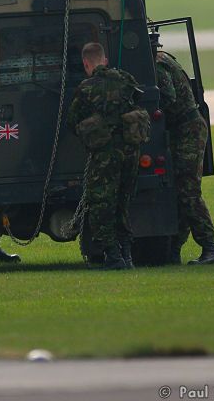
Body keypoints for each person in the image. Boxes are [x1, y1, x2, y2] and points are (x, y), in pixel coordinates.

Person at [67, 42, 150, 269]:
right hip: (130, 153)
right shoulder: (126, 79)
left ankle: (113, 256)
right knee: (123, 203)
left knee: (101, 204)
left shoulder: (86, 89)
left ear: (86, 64)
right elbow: (139, 103)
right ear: (104, 60)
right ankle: (127, 254)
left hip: (104, 156)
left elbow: (72, 121)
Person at [155, 50, 214, 266]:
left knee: (188, 193)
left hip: (187, 130)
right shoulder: (163, 58)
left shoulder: (157, 65)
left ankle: (211, 248)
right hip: (186, 128)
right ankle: (173, 251)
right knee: (181, 191)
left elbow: (167, 97)